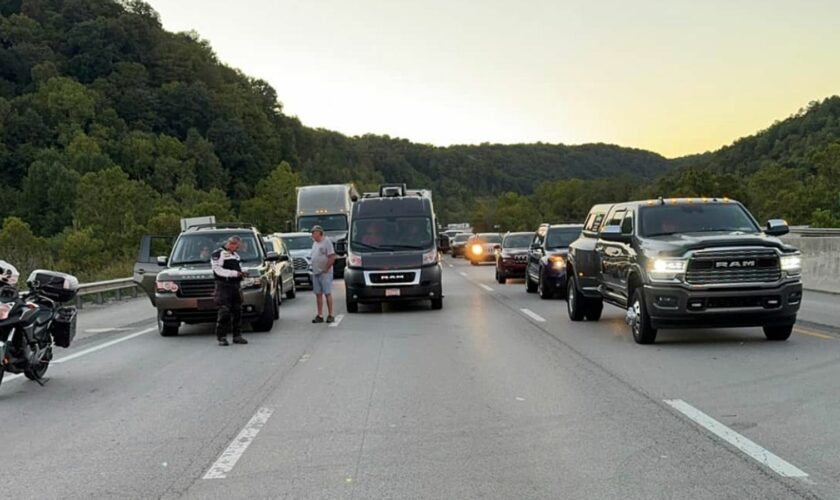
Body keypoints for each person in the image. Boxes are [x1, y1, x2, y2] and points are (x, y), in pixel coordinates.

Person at [211, 236, 248, 346]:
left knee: (238, 310)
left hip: (235, 285)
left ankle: (237, 336)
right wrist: (235, 273)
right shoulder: (218, 253)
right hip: (224, 285)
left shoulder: (235, 255)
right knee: (224, 311)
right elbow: (218, 270)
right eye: (237, 246)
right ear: (231, 244)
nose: (238, 249)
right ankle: (221, 337)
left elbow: (238, 269)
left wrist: (242, 273)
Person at [309, 225, 336, 323]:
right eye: (312, 233)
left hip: (325, 272)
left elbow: (332, 256)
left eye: (314, 233)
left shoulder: (326, 242)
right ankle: (320, 314)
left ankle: (331, 314)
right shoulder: (315, 243)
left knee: (327, 293)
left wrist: (326, 268)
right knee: (318, 294)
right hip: (316, 272)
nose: (312, 235)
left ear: (319, 233)